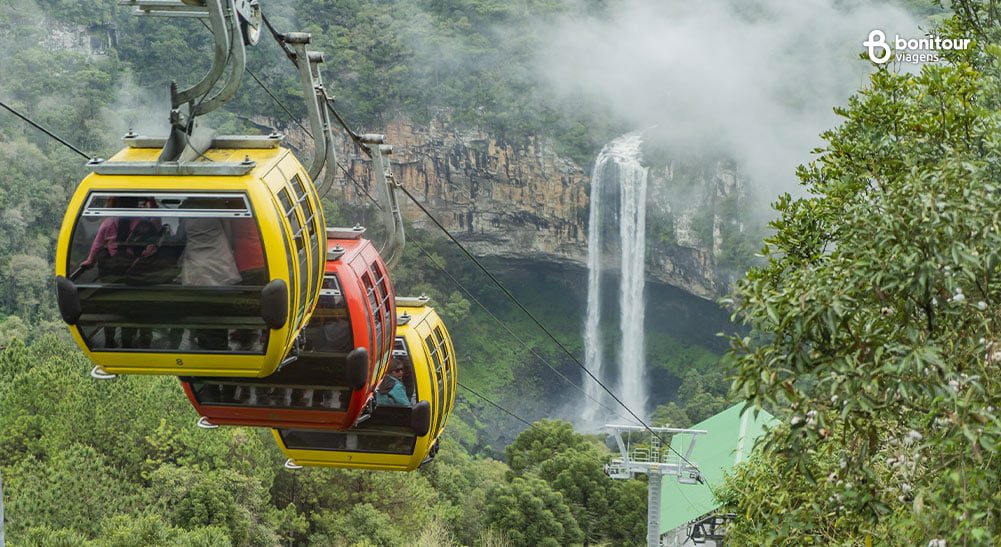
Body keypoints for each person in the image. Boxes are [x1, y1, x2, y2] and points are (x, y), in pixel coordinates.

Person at [177, 200, 241, 350]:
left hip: (196, 269)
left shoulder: (185, 210)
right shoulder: (218, 207)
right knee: (219, 310)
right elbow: (229, 236)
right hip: (220, 266)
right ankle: (220, 346)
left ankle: (203, 343)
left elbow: (180, 238)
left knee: (201, 309)